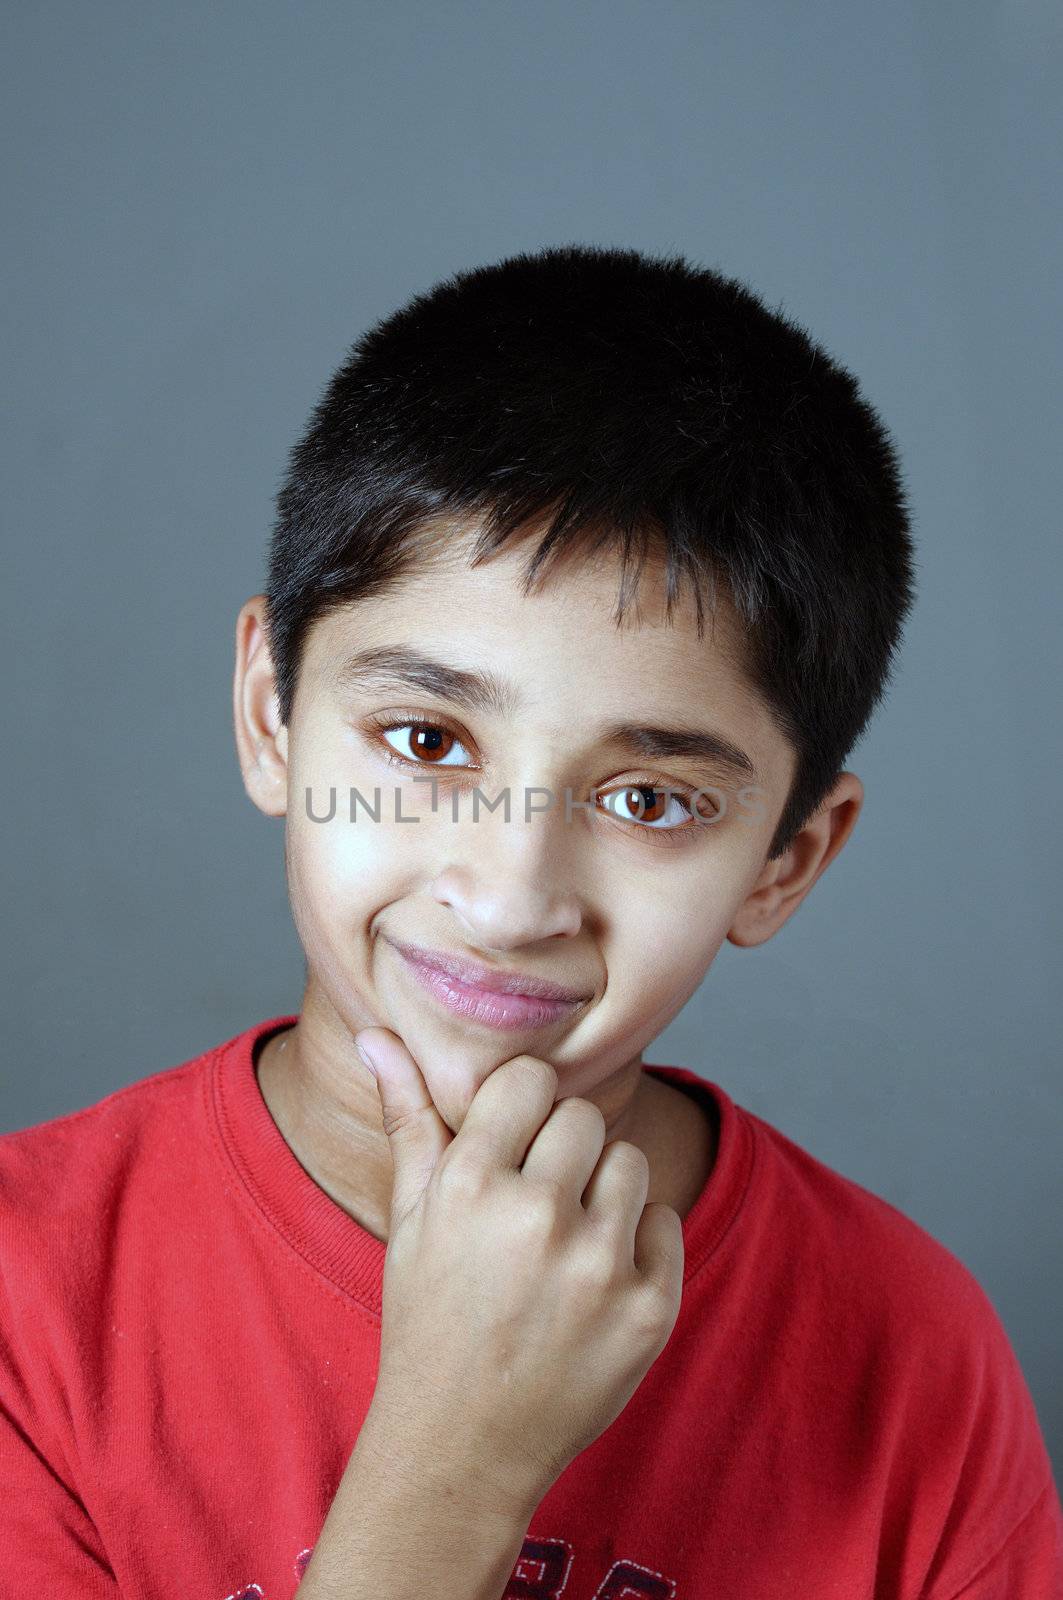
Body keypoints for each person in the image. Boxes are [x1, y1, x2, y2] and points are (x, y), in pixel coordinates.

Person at [2, 244, 1060, 1599]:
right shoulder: (27, 1302)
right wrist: (453, 1466)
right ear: (271, 712)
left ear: (786, 862)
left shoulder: (910, 1350)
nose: (508, 898)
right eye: (426, 739)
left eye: (650, 798)